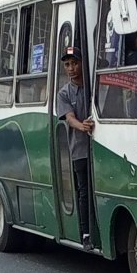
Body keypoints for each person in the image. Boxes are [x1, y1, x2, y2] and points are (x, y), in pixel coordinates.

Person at [57, 46, 95, 250]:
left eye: (74, 63)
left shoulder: (93, 85)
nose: (71, 68)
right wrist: (83, 126)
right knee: (83, 192)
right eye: (67, 65)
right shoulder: (64, 93)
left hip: (100, 149)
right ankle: (86, 233)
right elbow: (69, 118)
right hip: (79, 149)